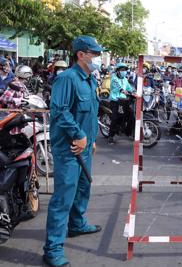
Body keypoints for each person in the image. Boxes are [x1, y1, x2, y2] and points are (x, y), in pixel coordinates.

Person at [43, 35, 105, 267]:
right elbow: (59, 111)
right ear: (81, 54)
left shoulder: (90, 79)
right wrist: (79, 135)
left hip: (85, 146)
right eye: (94, 54)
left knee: (82, 188)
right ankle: (52, 249)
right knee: (63, 198)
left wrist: (90, 140)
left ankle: (77, 224)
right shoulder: (67, 78)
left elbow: (90, 113)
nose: (97, 58)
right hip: (69, 148)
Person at [108, 63, 135, 145]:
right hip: (115, 100)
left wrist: (134, 91)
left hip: (123, 100)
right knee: (115, 118)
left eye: (125, 70)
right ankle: (111, 136)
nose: (124, 71)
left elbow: (129, 88)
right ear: (118, 71)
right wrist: (123, 91)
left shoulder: (125, 79)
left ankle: (128, 132)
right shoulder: (114, 78)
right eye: (122, 70)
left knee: (131, 116)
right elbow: (119, 88)